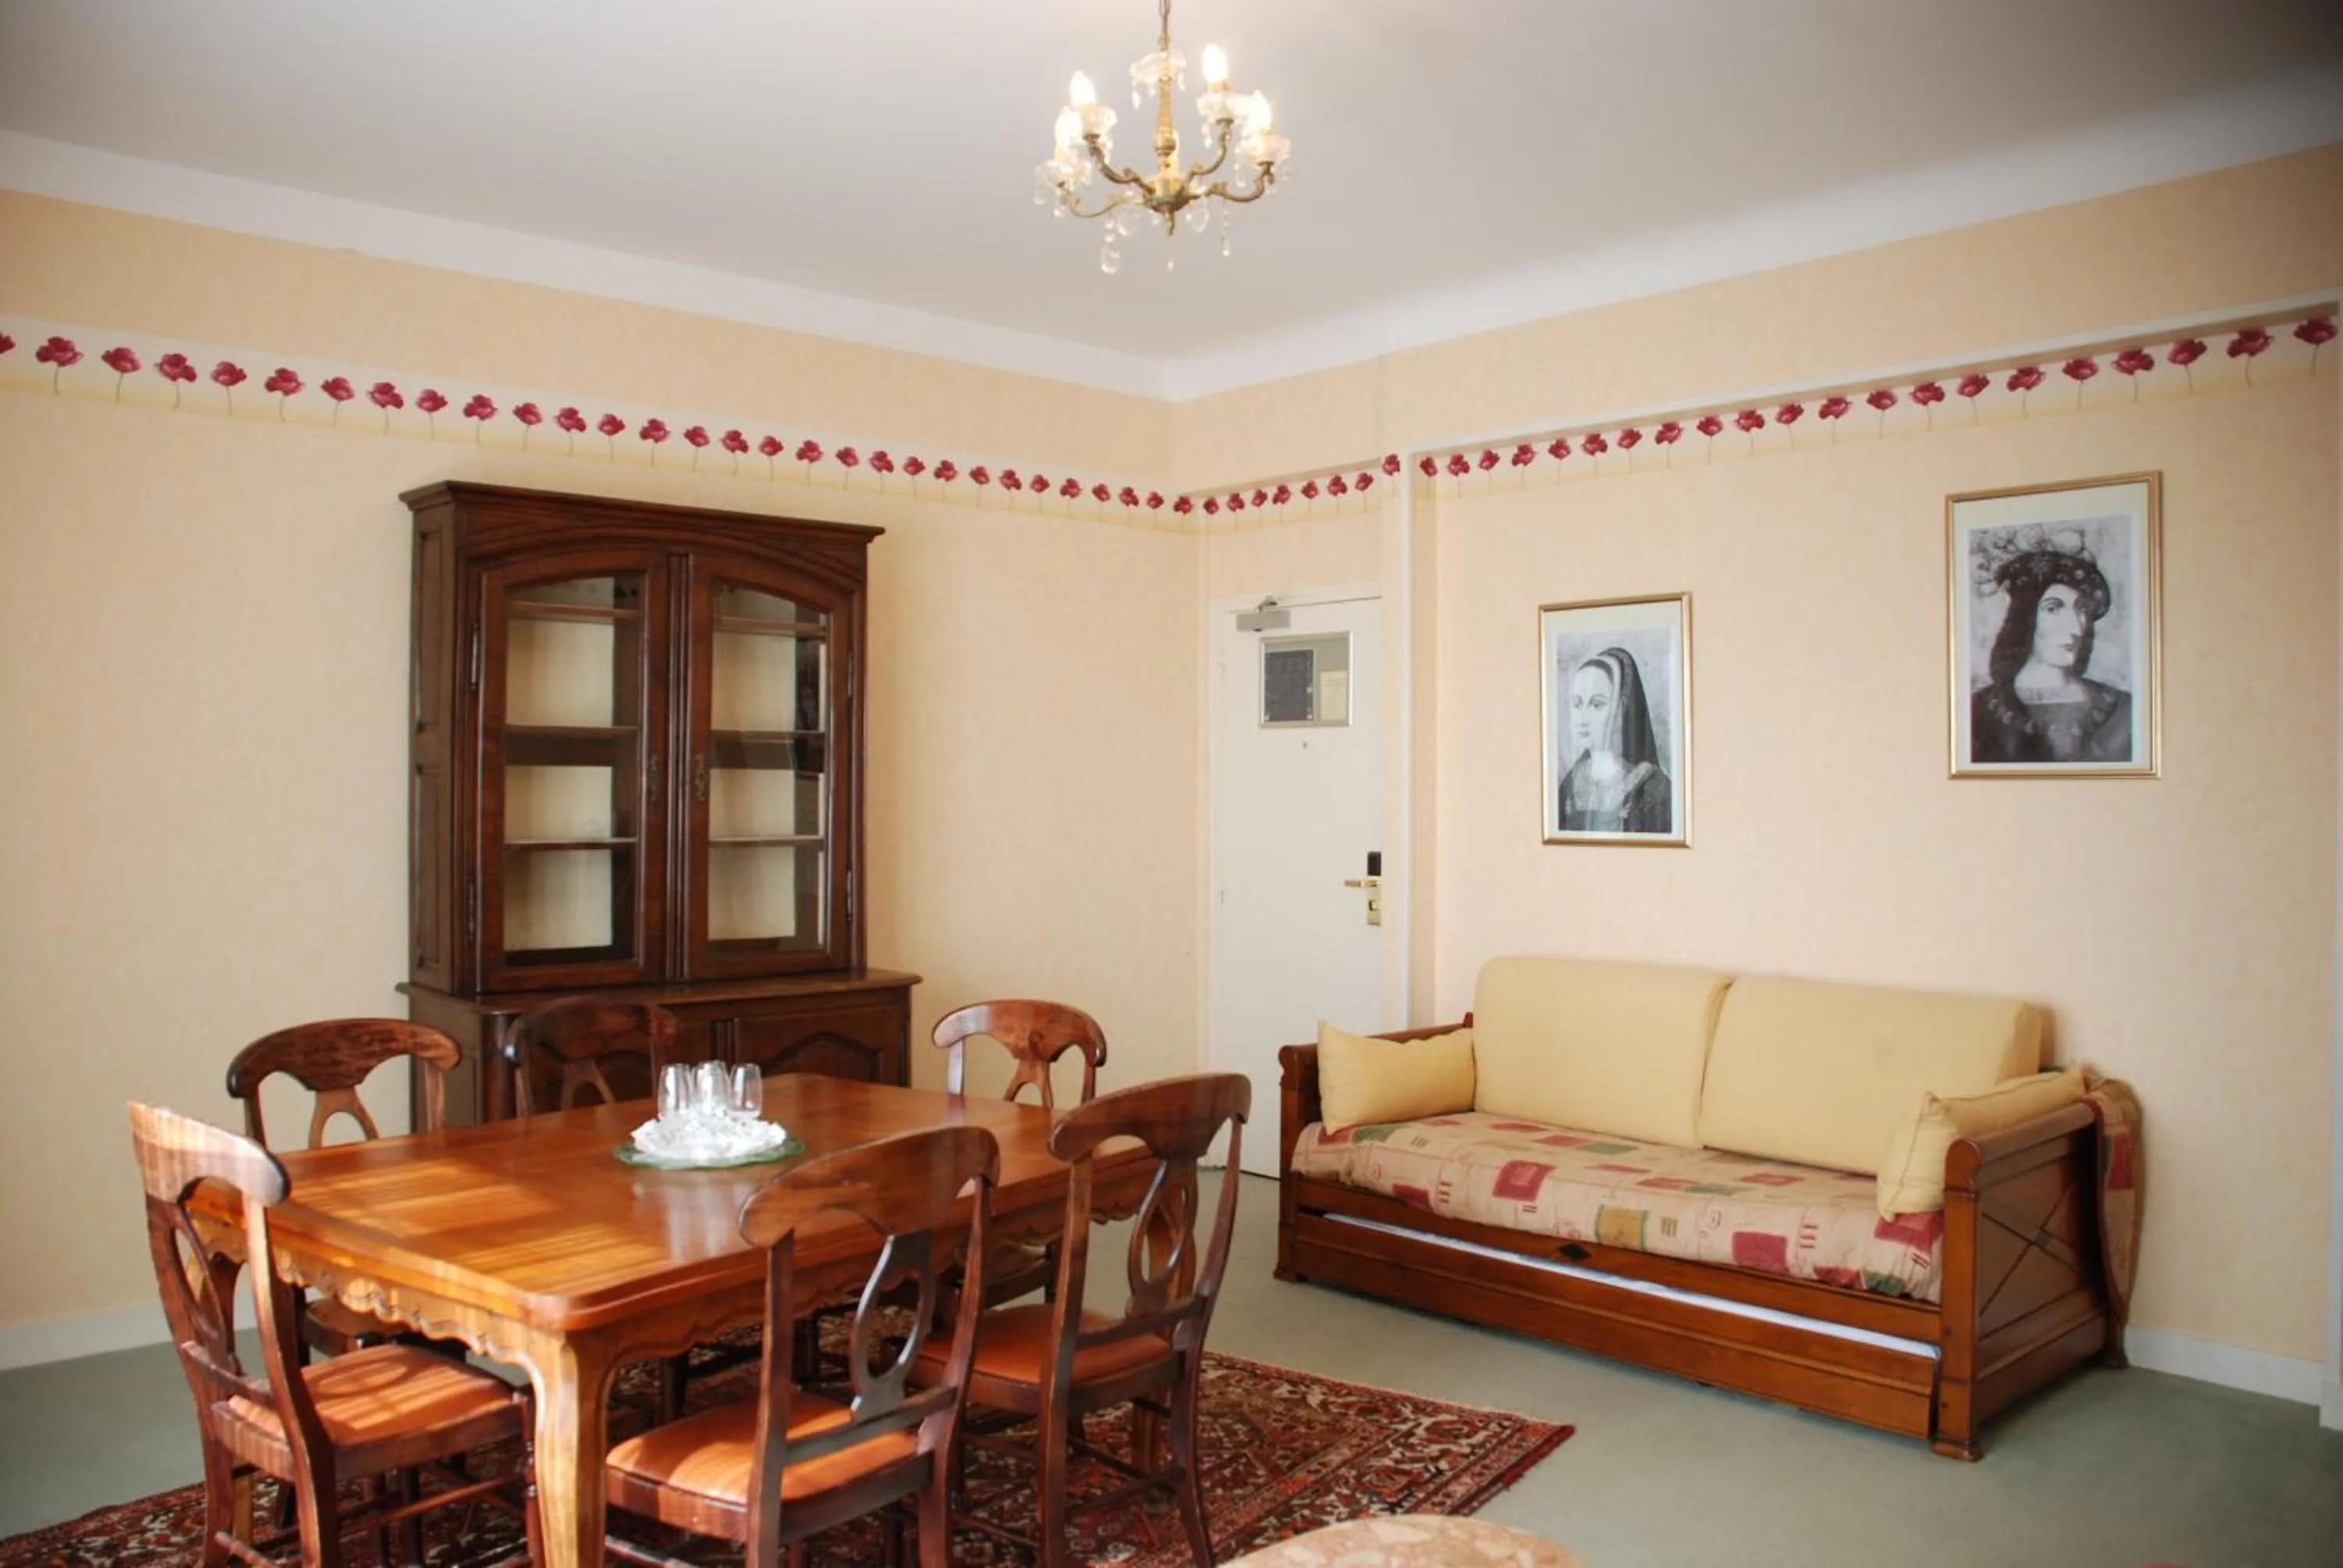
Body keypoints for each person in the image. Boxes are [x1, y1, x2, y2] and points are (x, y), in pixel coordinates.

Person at [1969, 543, 2132, 764]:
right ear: (2024, 617)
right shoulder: (1979, 711)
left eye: (2082, 609)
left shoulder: (2122, 709)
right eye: (2053, 609)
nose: (2076, 629)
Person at [1557, 647, 1673, 833]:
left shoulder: (1653, 787)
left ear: (1623, 708)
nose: (1583, 718)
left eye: (1597, 704)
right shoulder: (1571, 784)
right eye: (1577, 704)